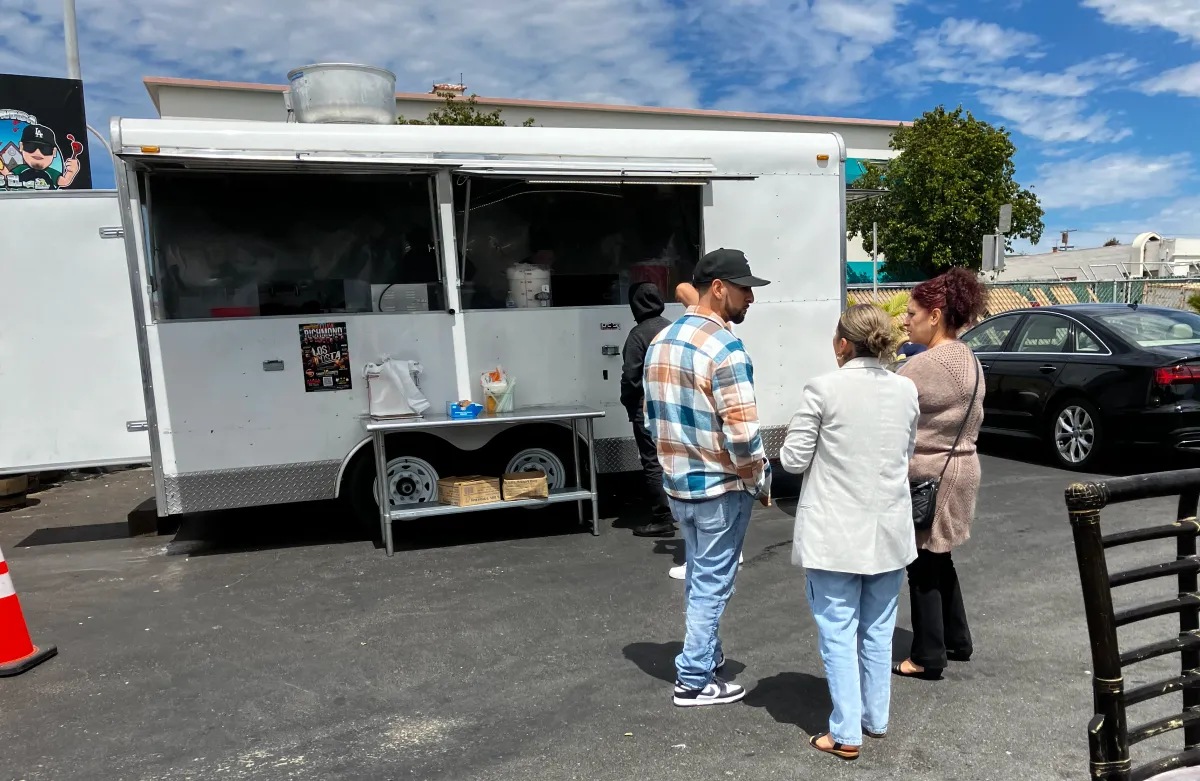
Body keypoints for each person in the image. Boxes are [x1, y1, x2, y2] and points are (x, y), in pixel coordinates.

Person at [780, 304, 919, 760]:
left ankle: (845, 733)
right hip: (890, 529)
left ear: (843, 343)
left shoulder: (822, 388)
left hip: (835, 533)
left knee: (838, 630)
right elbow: (906, 450)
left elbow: (793, 460)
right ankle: (874, 718)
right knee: (878, 630)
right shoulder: (905, 390)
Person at [644, 248, 772, 707]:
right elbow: (742, 434)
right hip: (720, 487)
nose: (750, 299)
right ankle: (693, 679)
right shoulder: (725, 347)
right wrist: (760, 480)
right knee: (713, 583)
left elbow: (650, 418)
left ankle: (708, 655)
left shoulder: (662, 340)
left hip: (678, 484)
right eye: (745, 289)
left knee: (702, 575)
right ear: (718, 288)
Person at [893, 268, 986, 681]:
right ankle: (957, 639)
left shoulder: (926, 365)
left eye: (911, 313)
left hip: (931, 474)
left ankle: (928, 654)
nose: (904, 320)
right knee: (940, 557)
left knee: (923, 565)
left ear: (935, 315)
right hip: (963, 467)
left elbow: (884, 398)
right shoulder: (969, 357)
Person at [620, 282, 674, 537]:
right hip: (675, 406)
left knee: (653, 462)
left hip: (647, 408)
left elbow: (631, 376)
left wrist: (628, 402)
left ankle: (663, 518)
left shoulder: (637, 334)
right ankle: (683, 513)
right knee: (676, 460)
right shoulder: (673, 328)